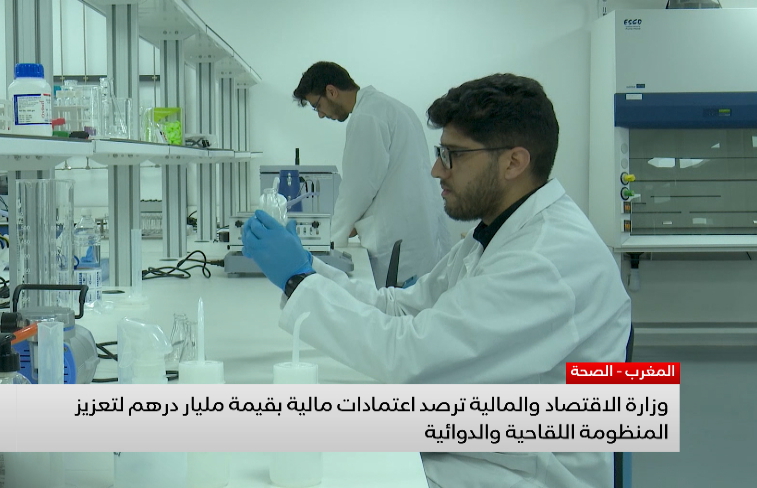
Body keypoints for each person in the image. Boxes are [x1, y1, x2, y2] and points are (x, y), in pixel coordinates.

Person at [243, 73, 632, 488]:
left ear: (513, 162)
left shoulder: (542, 261)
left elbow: (411, 358)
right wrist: (308, 269)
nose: (435, 169)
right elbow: (400, 307)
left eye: (453, 155)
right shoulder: (501, 232)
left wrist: (298, 281)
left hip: (521, 472)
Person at [293, 61, 452, 287]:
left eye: (317, 105)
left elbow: (357, 189)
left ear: (331, 91)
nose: (320, 114)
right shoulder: (393, 108)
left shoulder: (366, 117)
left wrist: (330, 243)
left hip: (399, 245)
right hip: (420, 235)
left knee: (399, 305)